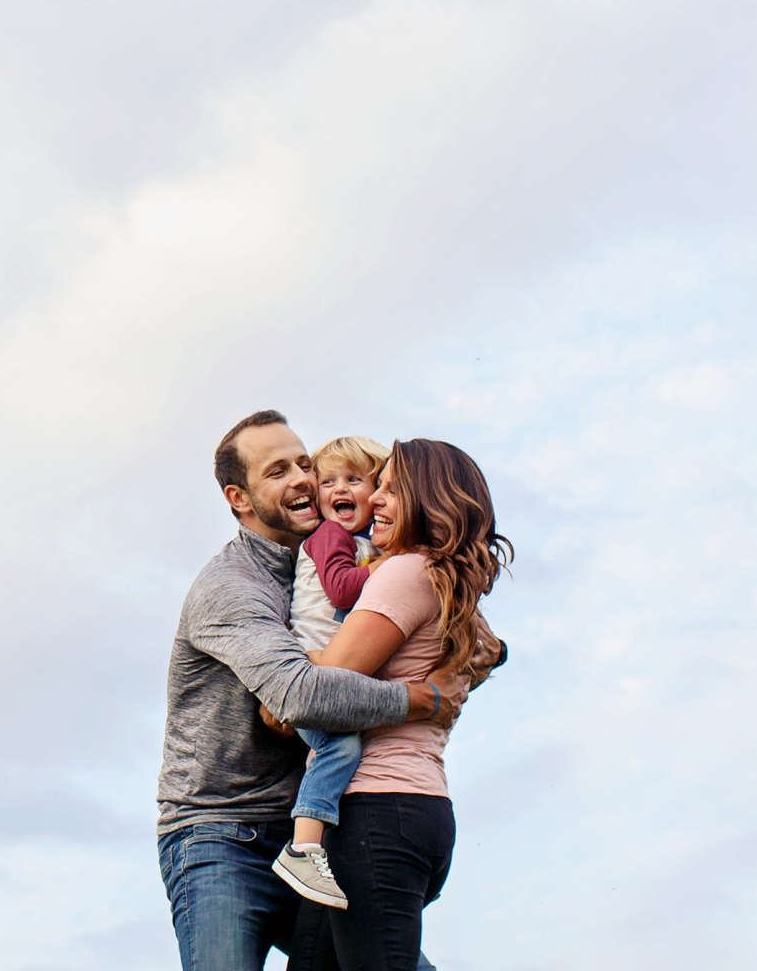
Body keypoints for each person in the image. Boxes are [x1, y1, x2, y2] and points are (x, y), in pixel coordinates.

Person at [157, 412, 464, 971]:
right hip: (222, 835)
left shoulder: (338, 556)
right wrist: (418, 700)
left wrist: (476, 651)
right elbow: (298, 697)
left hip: (312, 832)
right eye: (278, 471)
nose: (302, 478)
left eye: (304, 463)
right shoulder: (230, 588)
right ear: (240, 498)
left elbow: (426, 625)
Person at [287, 439, 512, 971]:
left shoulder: (405, 571)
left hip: (376, 813)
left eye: (390, 490)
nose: (375, 500)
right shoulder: (448, 581)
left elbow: (325, 690)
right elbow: (486, 658)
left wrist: (289, 657)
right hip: (410, 811)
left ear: (425, 500)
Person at [271, 435, 390, 909]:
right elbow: (341, 589)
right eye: (328, 482)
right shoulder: (329, 536)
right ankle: (303, 847)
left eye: (355, 480)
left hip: (330, 667)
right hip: (309, 667)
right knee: (339, 747)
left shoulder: (363, 543)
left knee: (338, 747)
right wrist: (386, 567)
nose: (340, 489)